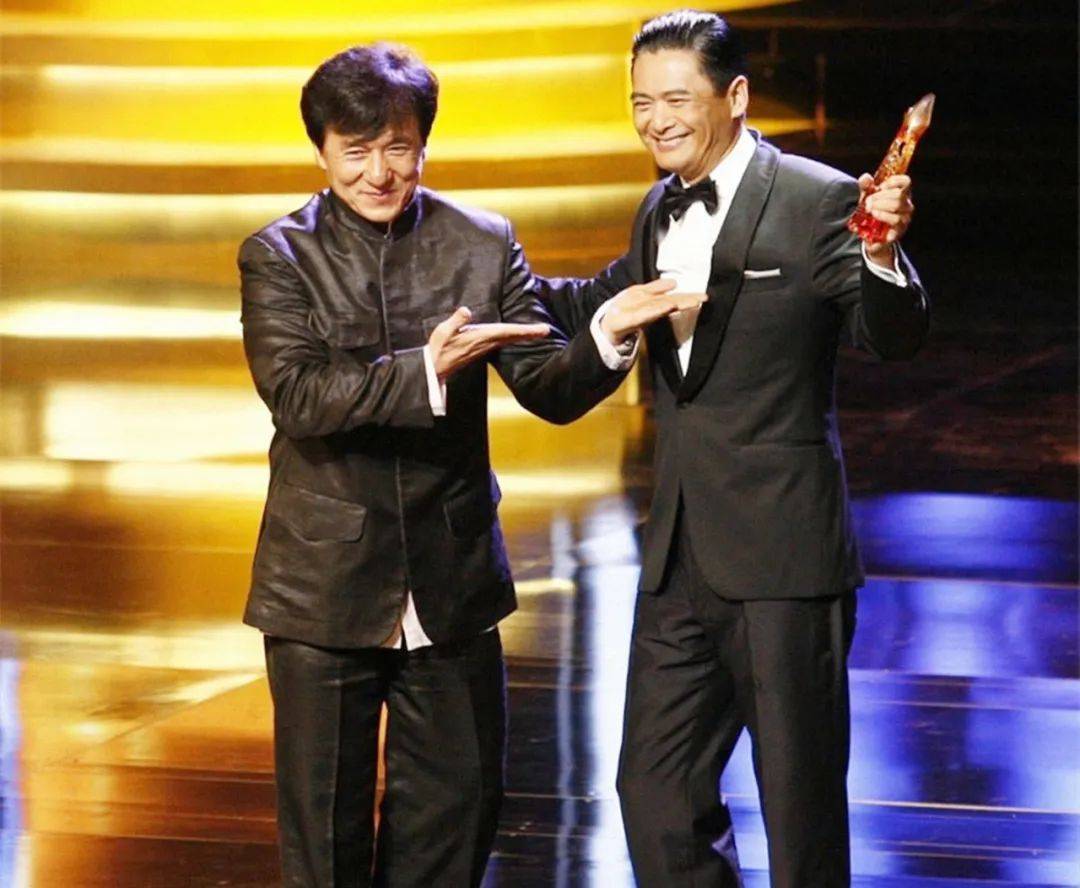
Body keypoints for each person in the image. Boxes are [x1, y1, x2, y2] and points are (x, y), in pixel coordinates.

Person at [238, 43, 702, 888]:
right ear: (322, 151)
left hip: (451, 578)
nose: (380, 172)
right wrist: (426, 369)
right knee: (326, 836)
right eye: (357, 150)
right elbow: (299, 398)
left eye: (399, 148)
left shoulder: (481, 241)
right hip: (322, 584)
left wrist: (605, 334)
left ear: (424, 143)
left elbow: (546, 386)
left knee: (457, 814)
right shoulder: (278, 255)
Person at [535, 10, 930, 887]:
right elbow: (595, 298)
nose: (656, 120)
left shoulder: (818, 198)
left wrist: (885, 254)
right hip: (678, 559)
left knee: (799, 812)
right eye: (642, 102)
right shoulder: (656, 207)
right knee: (655, 791)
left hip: (784, 561)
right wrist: (488, 275)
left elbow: (893, 335)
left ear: (736, 95)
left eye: (677, 99)